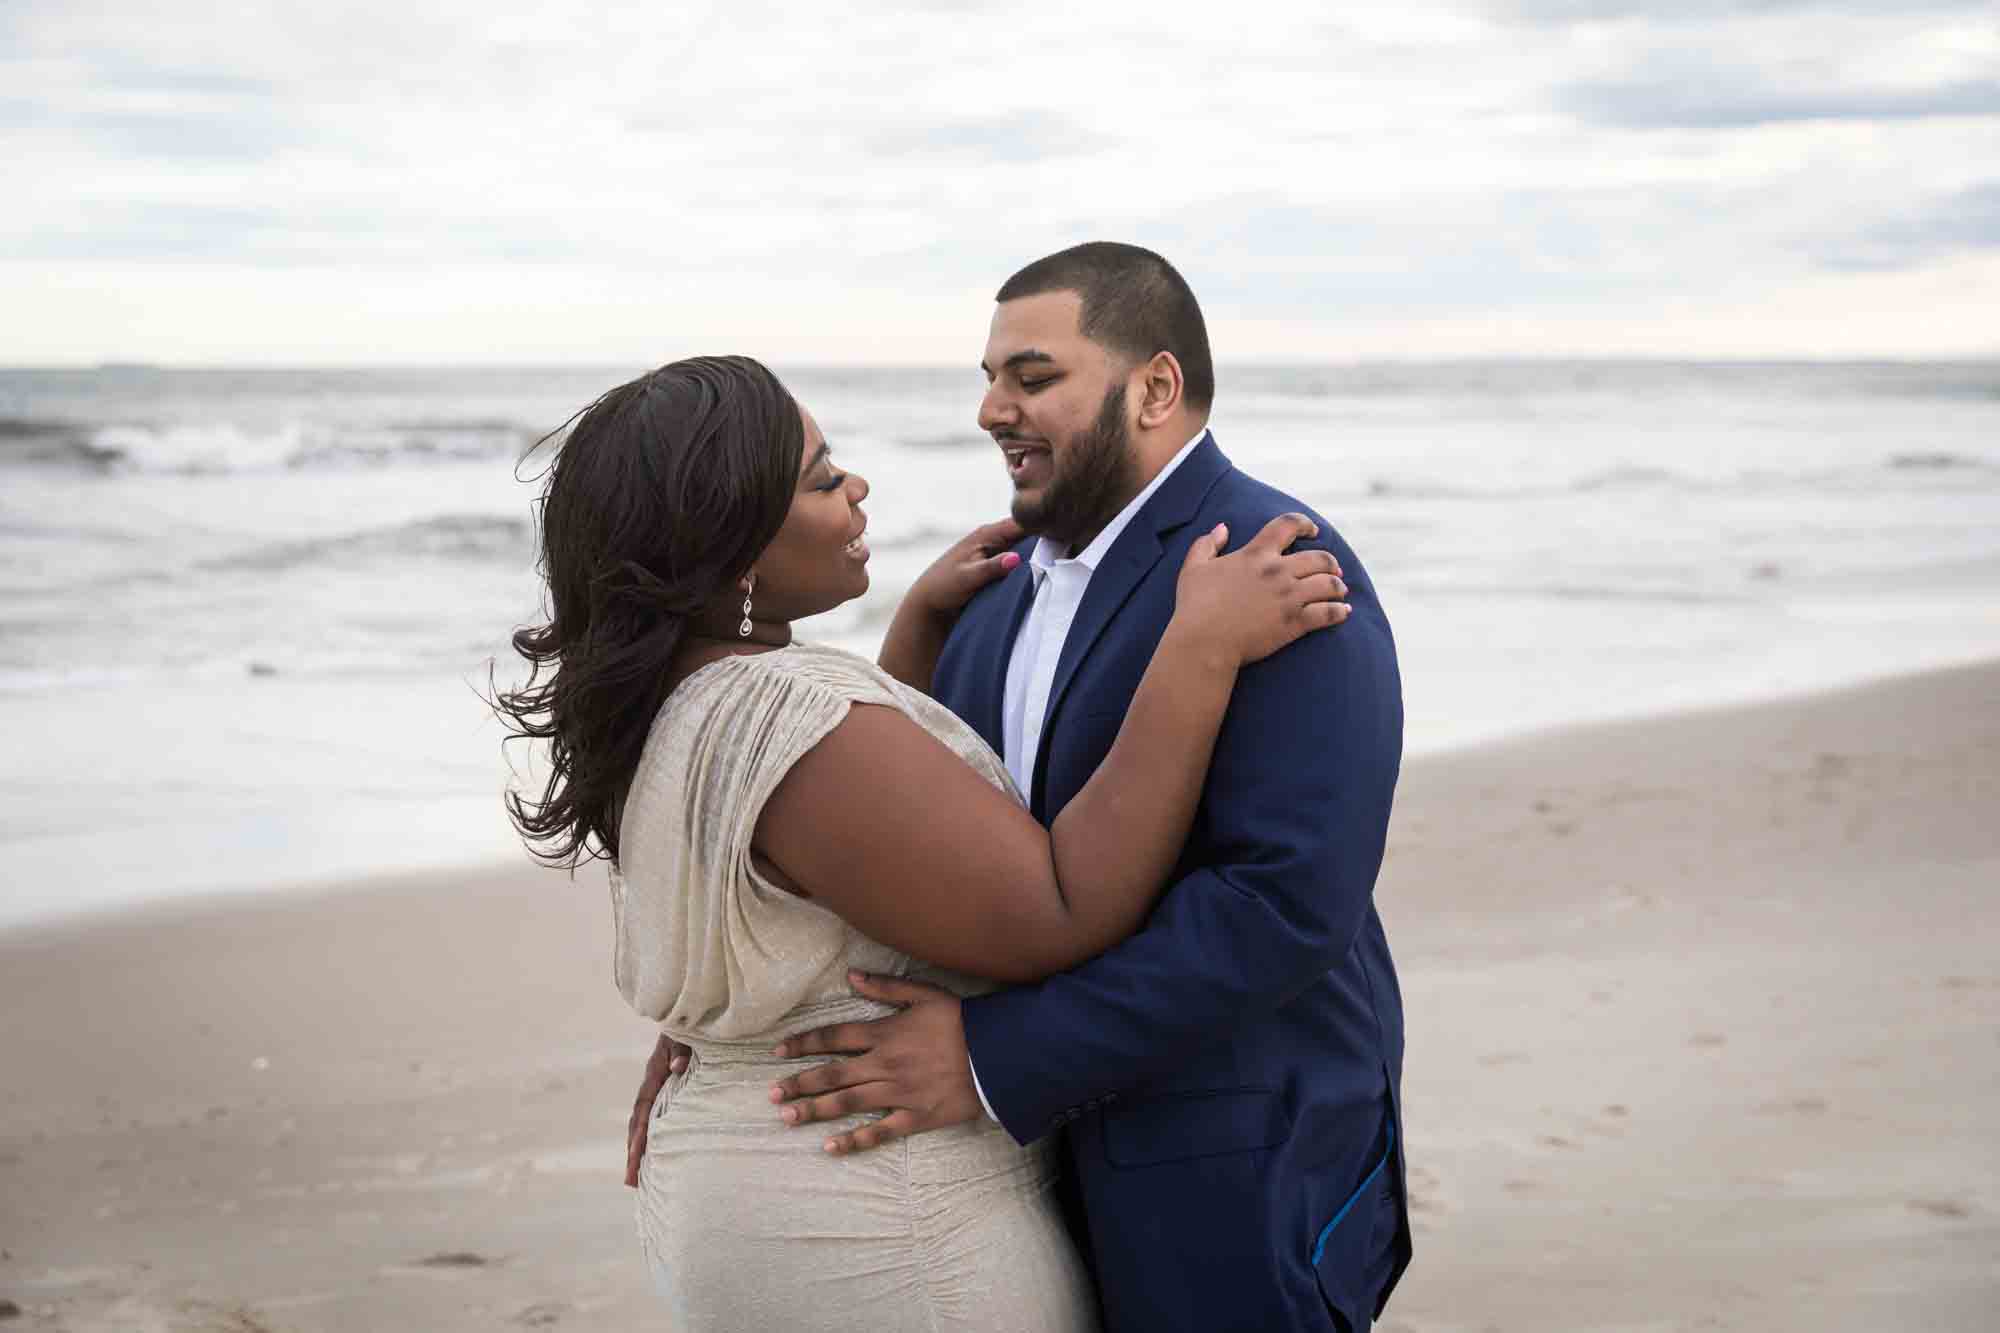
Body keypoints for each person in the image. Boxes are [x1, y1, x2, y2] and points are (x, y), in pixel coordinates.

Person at [633, 244, 1413, 1331]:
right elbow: (909, 856)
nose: (992, 409)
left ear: (1153, 387)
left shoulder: (1271, 567)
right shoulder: (987, 598)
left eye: (1031, 376)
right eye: (988, 377)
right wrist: (731, 1022)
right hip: (1012, 1175)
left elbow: (1283, 904)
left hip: (1227, 1160)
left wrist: (997, 1057)